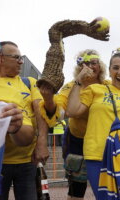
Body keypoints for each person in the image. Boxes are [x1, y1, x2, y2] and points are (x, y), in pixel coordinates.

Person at [66, 47, 120, 200]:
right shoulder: (95, 89)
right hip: (99, 156)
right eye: (115, 68)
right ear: (109, 70)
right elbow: (72, 111)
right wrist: (78, 80)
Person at [39, 49, 108, 200]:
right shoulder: (71, 86)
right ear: (79, 67)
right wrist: (49, 99)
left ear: (100, 66)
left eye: (93, 63)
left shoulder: (107, 85)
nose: (89, 66)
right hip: (78, 141)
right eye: (84, 64)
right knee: (77, 188)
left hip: (103, 141)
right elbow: (60, 109)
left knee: (108, 185)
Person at [0, 41, 49, 200]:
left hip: (28, 161)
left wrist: (41, 143)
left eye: (21, 58)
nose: (21, 62)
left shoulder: (30, 82)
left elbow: (40, 110)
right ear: (0, 58)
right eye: (16, 58)